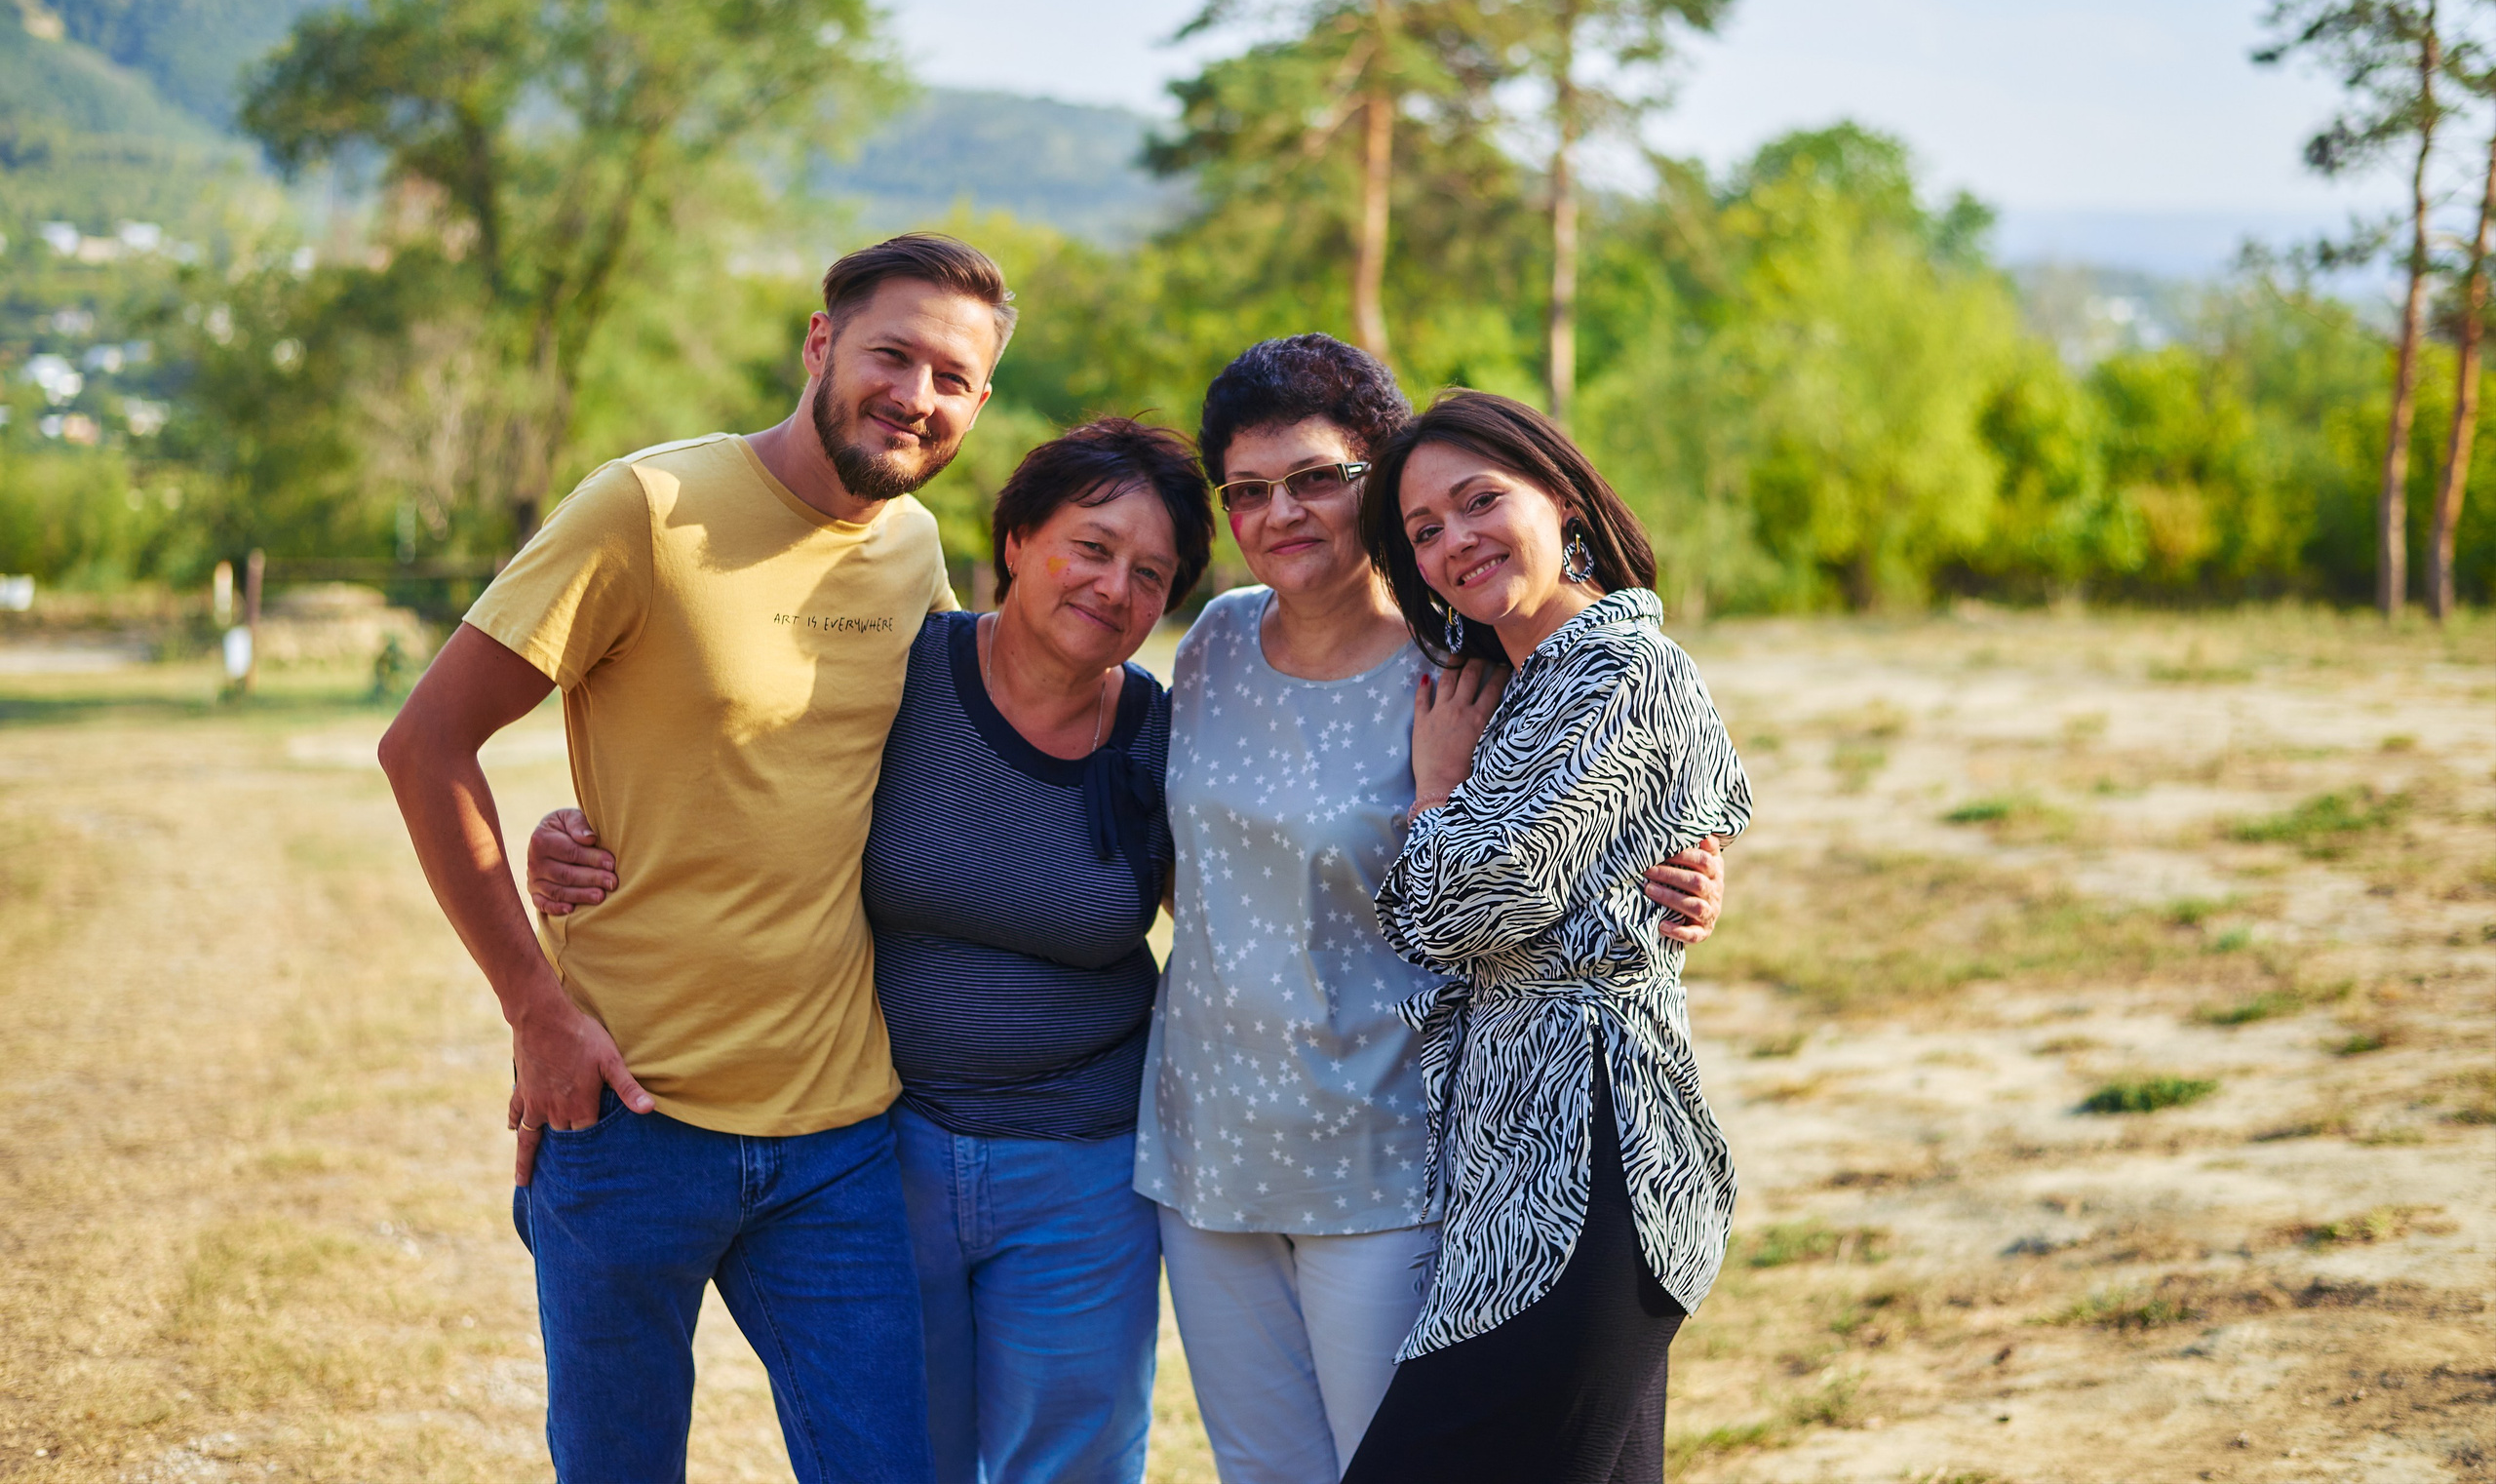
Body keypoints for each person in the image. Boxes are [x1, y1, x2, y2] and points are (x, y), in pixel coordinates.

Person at [377, 233, 1015, 1484]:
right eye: (894, 353)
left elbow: (904, 792)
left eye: (953, 377)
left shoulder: (913, 550)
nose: (917, 394)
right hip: (626, 1115)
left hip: (839, 1132)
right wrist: (535, 1008)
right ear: (821, 342)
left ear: (977, 404)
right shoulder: (648, 508)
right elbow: (427, 745)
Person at [529, 420, 1214, 1484]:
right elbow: (744, 774)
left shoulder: (1160, 735)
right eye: (1090, 545)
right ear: (1020, 539)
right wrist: (573, 849)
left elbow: (1240, 904)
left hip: (1082, 1166)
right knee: (905, 1459)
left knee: (1071, 1463)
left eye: (1149, 573)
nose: (1113, 585)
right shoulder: (907, 667)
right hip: (887, 1145)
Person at [1137, 338, 1731, 1484]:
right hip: (1206, 1147)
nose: (1282, 510)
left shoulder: (1464, 663)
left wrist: (1688, 876)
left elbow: (1591, 826)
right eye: (1249, 490)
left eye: (1316, 477)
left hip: (1396, 1144)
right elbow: (1192, 862)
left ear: (1374, 476)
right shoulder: (1209, 644)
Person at [1340, 389, 1753, 1484]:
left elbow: (1456, 907)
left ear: (1561, 495)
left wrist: (1435, 791)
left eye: (1479, 501)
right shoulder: (1526, 684)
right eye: (1423, 531)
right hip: (1517, 1171)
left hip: (1586, 1172)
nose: (1453, 540)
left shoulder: (1617, 667)